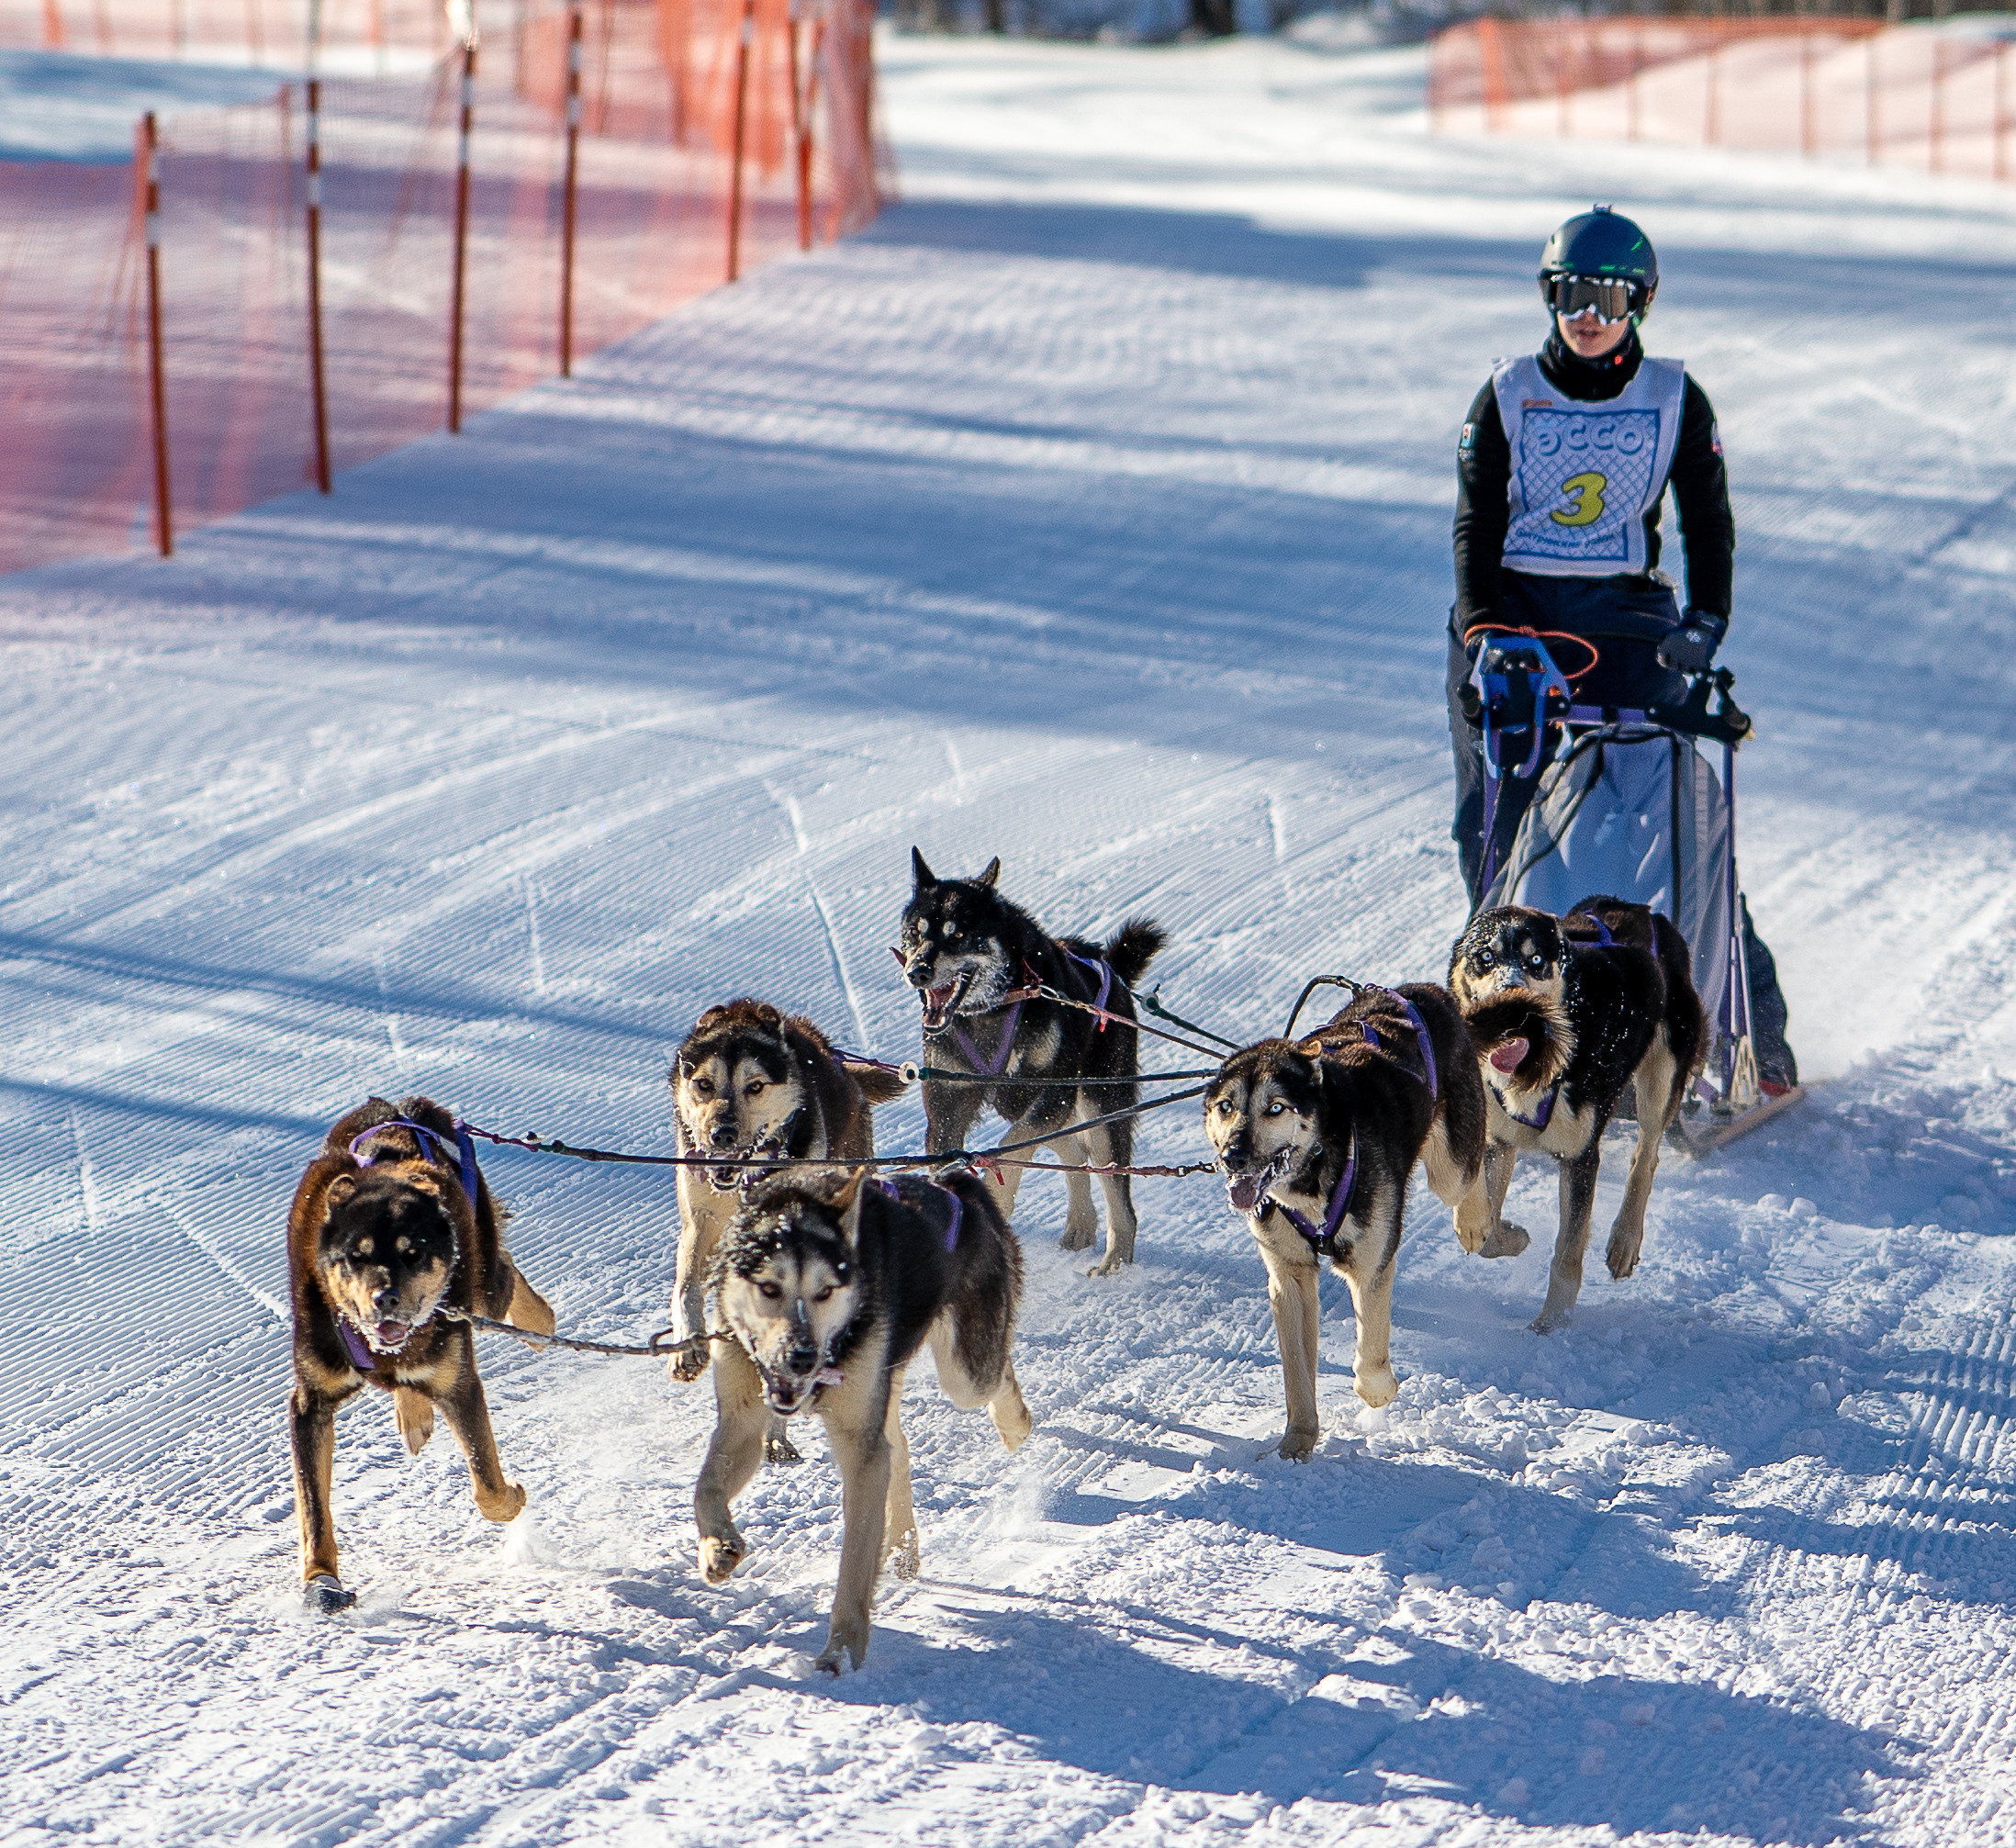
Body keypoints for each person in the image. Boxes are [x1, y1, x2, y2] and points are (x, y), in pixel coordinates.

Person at [1444, 205, 1796, 1090]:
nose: (1586, 315)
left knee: (1675, 811)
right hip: (1514, 620)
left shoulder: (1674, 396)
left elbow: (1708, 521)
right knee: (1493, 826)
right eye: (1569, 294)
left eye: (1606, 297)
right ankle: (1500, 1031)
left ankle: (1748, 1023)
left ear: (1639, 302)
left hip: (1626, 619)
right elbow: (1475, 525)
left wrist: (1704, 622)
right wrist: (1488, 631)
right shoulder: (1508, 392)